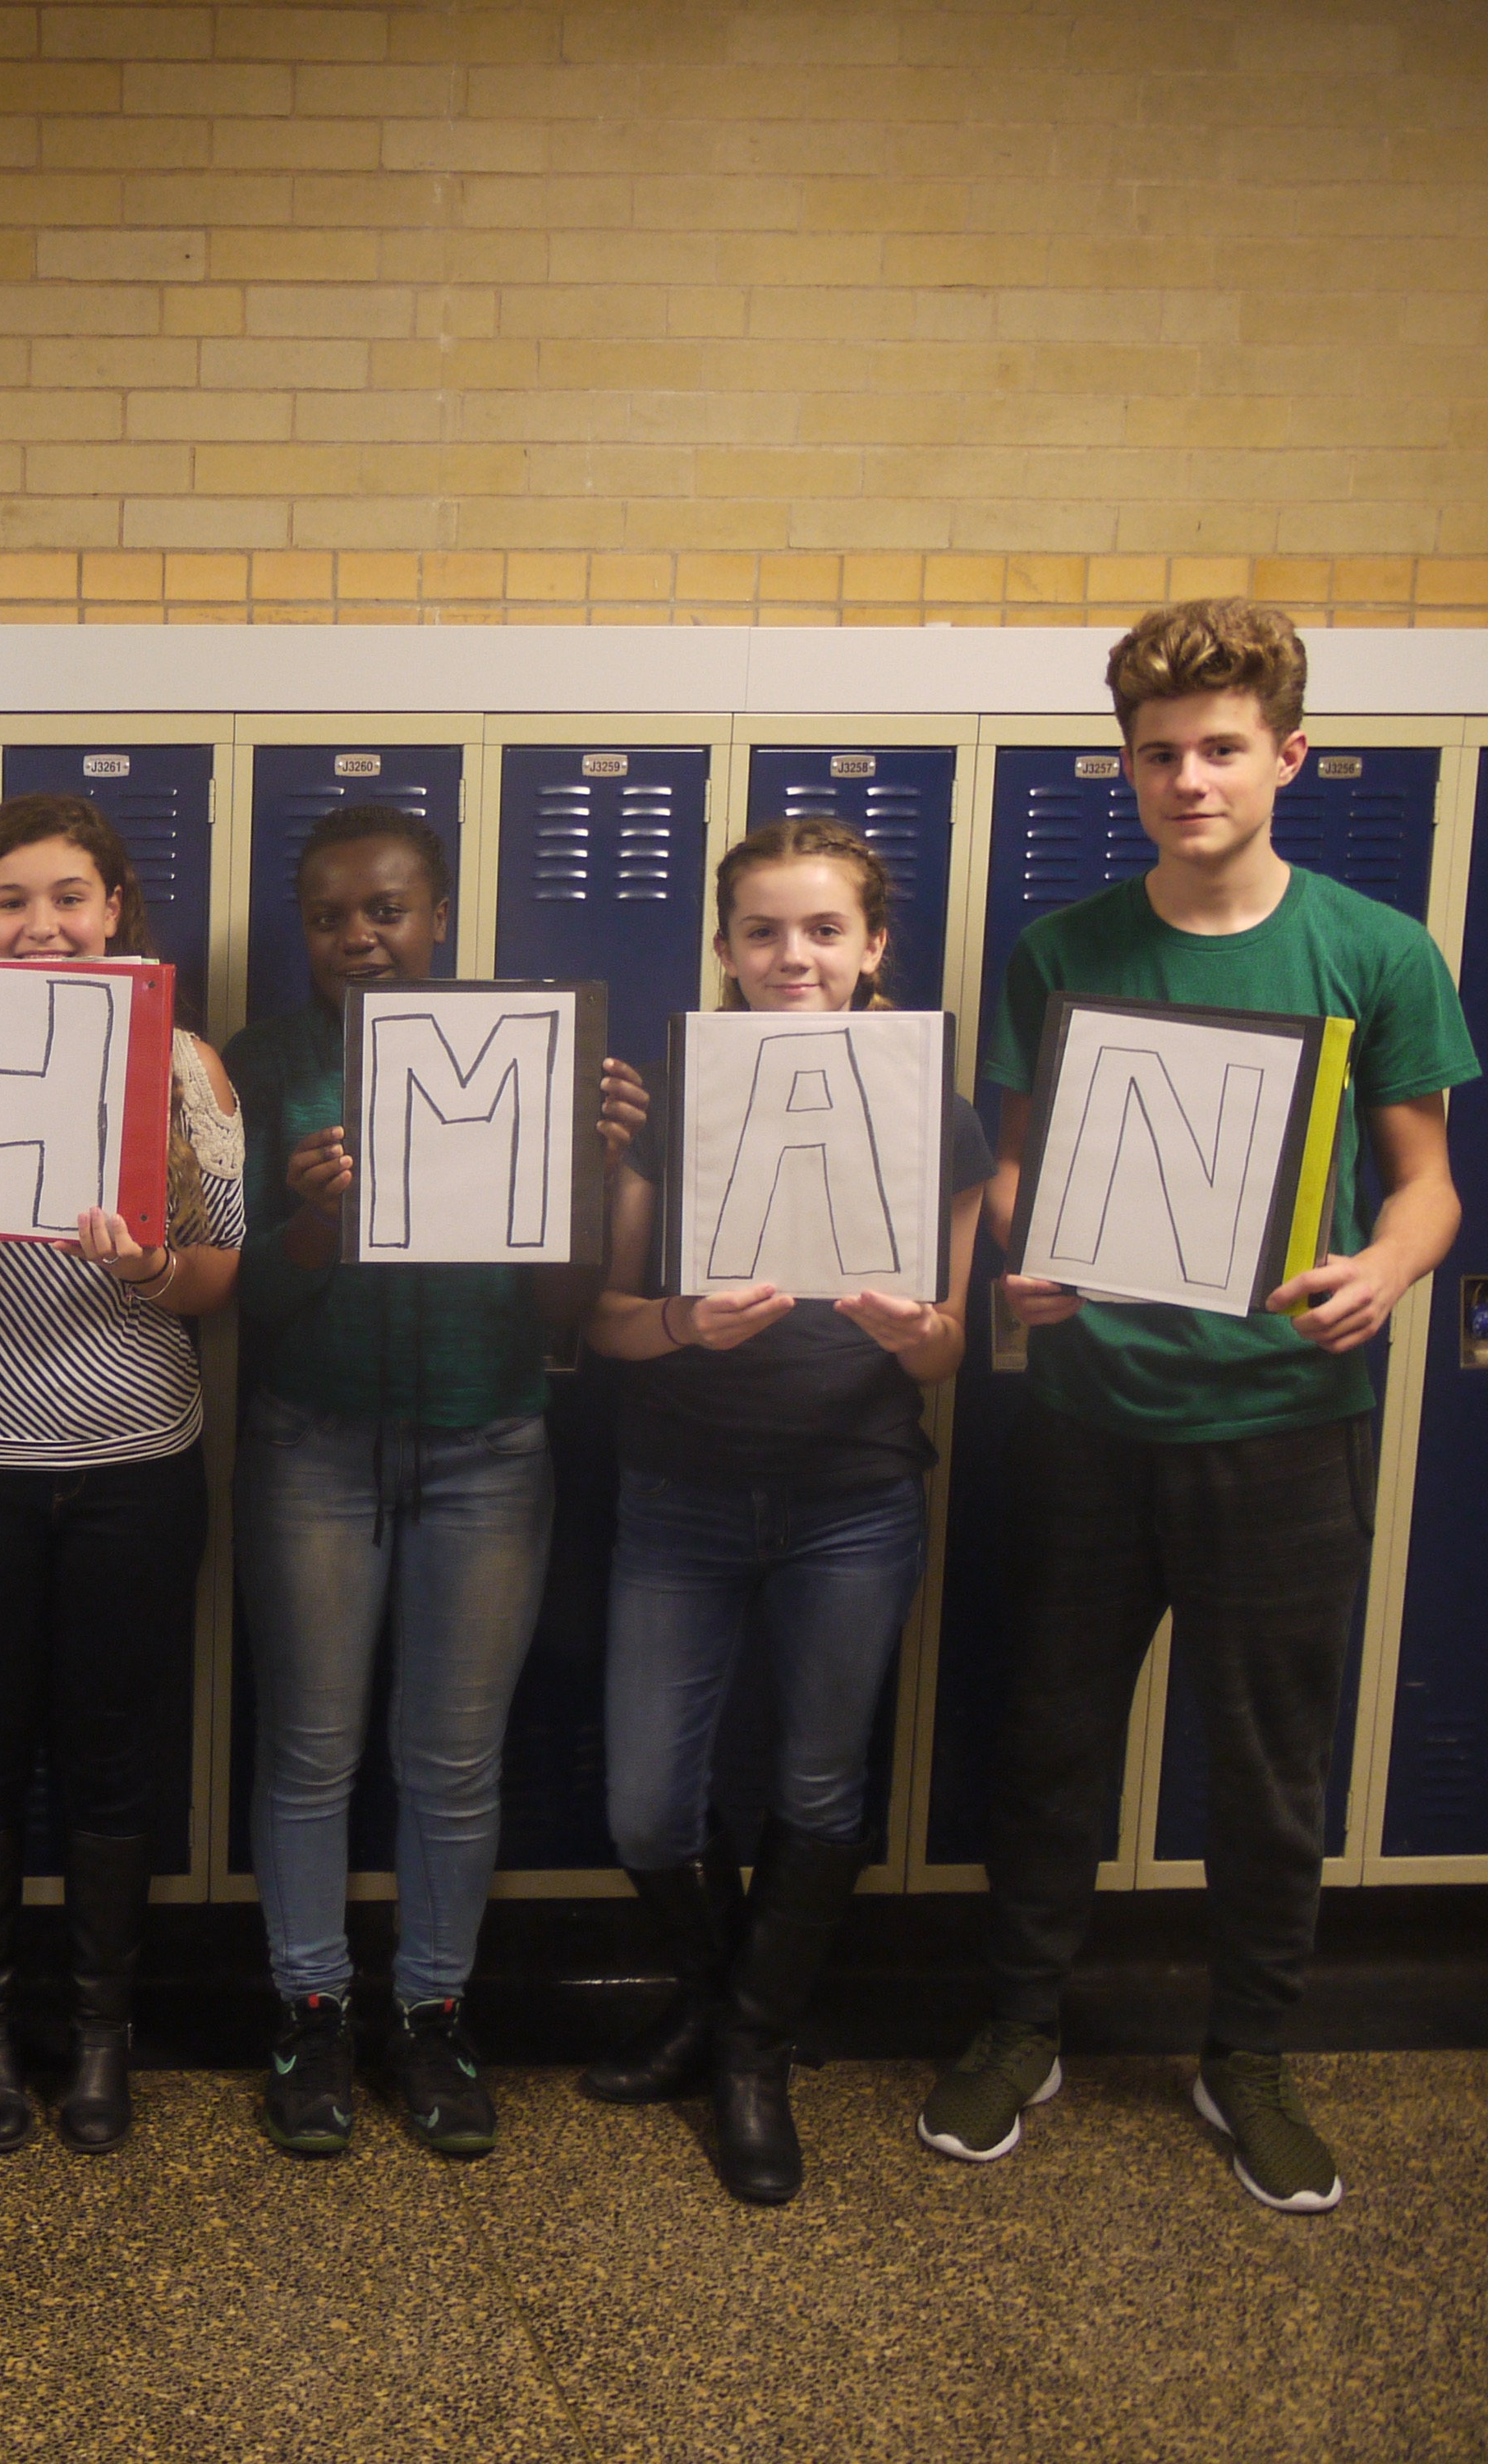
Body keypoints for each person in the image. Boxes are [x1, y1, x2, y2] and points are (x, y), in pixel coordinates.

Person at [918, 599, 1472, 2213]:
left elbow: (1427, 1186)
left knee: (1265, 1761)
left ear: (1286, 757)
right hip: (1091, 1418)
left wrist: (1381, 1271)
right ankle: (1018, 2025)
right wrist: (1014, 1253)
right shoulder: (1065, 947)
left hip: (1281, 1425)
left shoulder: (1369, 949)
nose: (1187, 778)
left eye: (1219, 748)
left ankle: (1247, 2054)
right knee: (1048, 1742)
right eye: (1157, 754)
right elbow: (1016, 1163)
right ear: (1125, 767)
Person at [581, 819, 987, 2204]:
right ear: (724, 950)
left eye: (823, 931)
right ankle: (717, 2000)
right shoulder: (684, 1095)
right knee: (645, 1802)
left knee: (819, 1785)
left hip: (851, 1503)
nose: (791, 957)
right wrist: (687, 1322)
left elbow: (947, 1349)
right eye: (762, 932)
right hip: (680, 1495)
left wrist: (904, 1324)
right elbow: (604, 1326)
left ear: (878, 948)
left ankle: (746, 2044)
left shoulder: (936, 1110)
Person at [227, 803, 606, 2161]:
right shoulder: (263, 1063)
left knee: (451, 1763)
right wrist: (314, 1217)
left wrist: (596, 1168)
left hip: (487, 1445)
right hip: (311, 1444)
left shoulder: (524, 1054)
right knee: (312, 1752)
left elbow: (567, 1304)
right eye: (329, 917)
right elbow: (244, 1303)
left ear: (436, 917)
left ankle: (434, 2016)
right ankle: (309, 2012)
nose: (358, 939)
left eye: (385, 910)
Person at [0, 797, 242, 2154]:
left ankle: (98, 2038)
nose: (42, 927)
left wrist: (149, 1266)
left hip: (137, 1464)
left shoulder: (186, 1069)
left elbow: (222, 1274)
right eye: (11, 901)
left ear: (116, 909)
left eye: (68, 898)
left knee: (109, 1761)